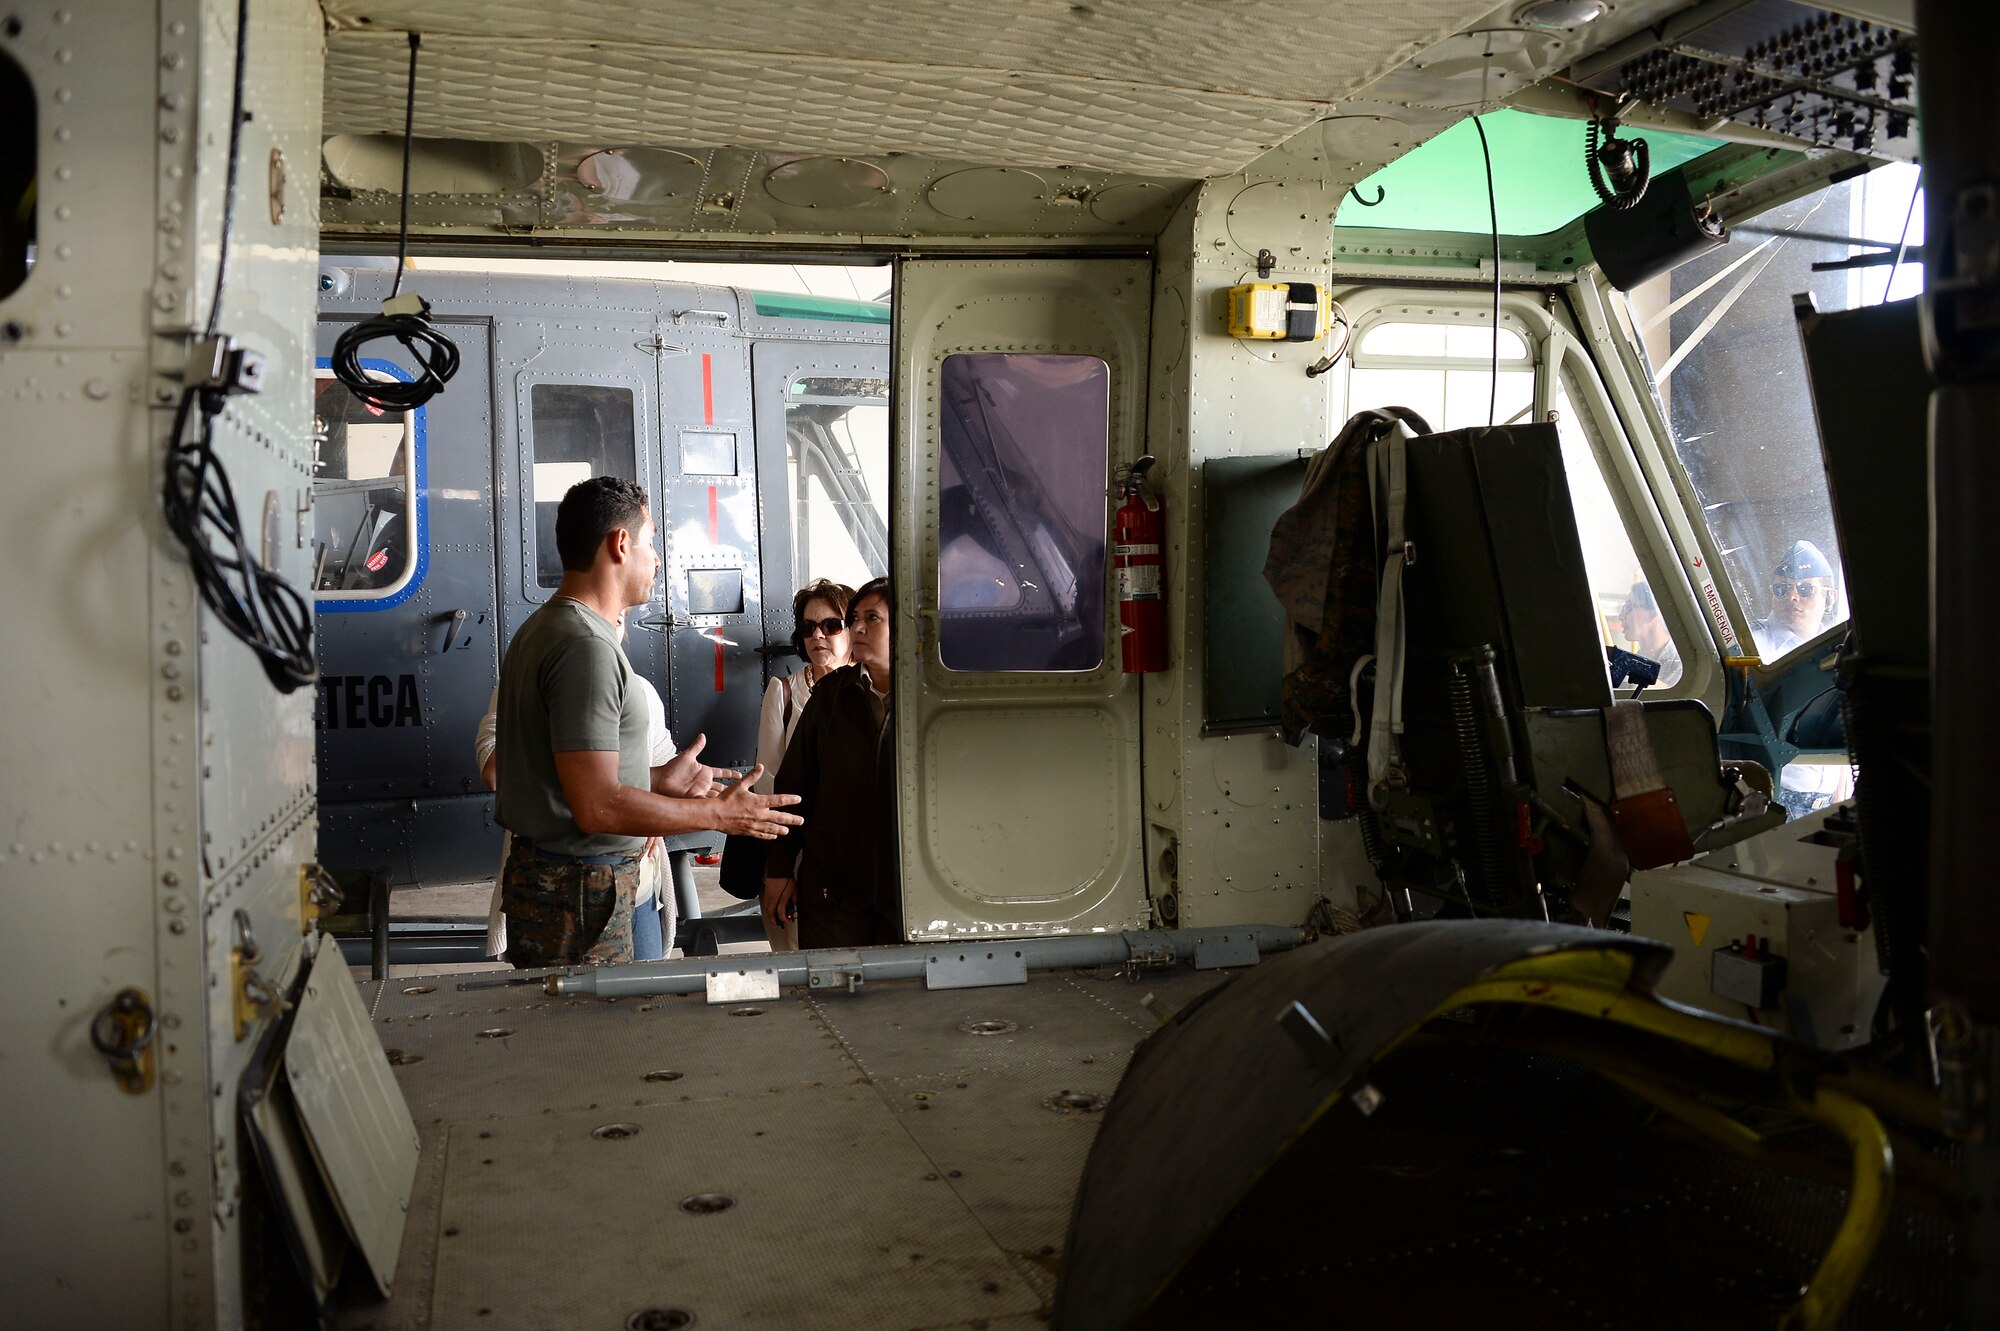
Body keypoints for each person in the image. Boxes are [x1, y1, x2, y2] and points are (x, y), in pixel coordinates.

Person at [494, 476, 801, 968]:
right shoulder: (586, 648)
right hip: (581, 891)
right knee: (594, 1040)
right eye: (651, 541)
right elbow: (597, 806)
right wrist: (719, 816)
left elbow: (563, 781)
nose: (656, 558)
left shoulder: (546, 627)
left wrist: (658, 780)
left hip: (562, 882)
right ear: (620, 544)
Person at [475, 610, 678, 961]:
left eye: (619, 619)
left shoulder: (640, 691)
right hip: (559, 891)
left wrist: (654, 815)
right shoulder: (522, 686)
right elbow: (493, 772)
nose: (608, 627)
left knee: (646, 1004)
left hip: (638, 886)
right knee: (560, 1009)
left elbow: (661, 768)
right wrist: (555, 710)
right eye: (599, 617)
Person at [763, 576, 901, 950]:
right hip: (834, 894)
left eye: (873, 618)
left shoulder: (930, 704)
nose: (858, 627)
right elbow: (791, 788)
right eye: (854, 617)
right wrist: (778, 870)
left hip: (907, 895)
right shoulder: (830, 697)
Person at [742, 578, 856, 951]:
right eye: (808, 627)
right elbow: (768, 786)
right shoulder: (785, 693)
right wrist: (781, 870)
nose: (818, 635)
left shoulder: (872, 691)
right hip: (797, 851)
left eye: (830, 625)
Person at [1749, 539, 1839, 660]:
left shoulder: (1838, 647)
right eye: (1781, 588)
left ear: (1829, 598)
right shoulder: (1749, 643)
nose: (1792, 596)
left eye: (1805, 589)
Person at [1618, 582, 1683, 688]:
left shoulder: (1681, 668)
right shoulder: (1635, 662)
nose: (1621, 616)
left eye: (1629, 607)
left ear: (1653, 613)